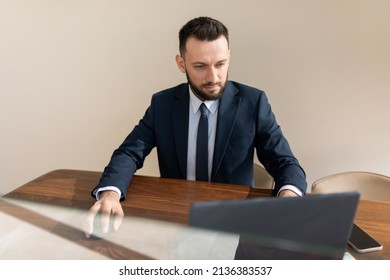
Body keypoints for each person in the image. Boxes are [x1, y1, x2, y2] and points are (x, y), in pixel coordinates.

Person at [83, 16, 307, 240]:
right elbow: (129, 152)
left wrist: (288, 197)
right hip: (178, 221)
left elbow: (284, 162)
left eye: (220, 64)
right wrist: (110, 194)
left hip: (234, 225)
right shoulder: (163, 104)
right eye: (200, 66)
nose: (213, 77)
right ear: (182, 64)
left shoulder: (253, 102)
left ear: (229, 57)